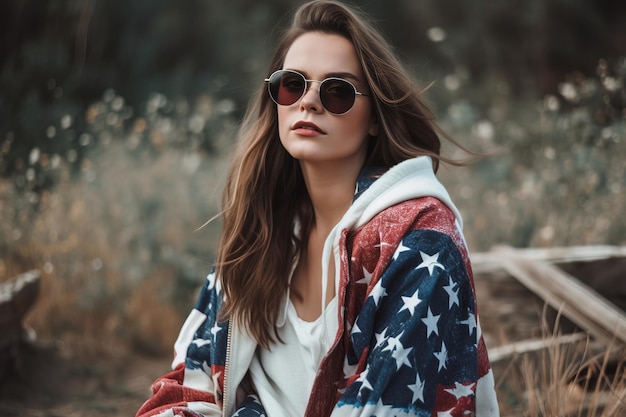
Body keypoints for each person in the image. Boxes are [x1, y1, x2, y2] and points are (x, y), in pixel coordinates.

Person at [136, 1, 499, 416]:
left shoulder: (421, 238)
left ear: (376, 117)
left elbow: (389, 407)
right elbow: (191, 384)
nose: (308, 102)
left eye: (338, 91)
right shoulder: (260, 229)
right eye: (292, 85)